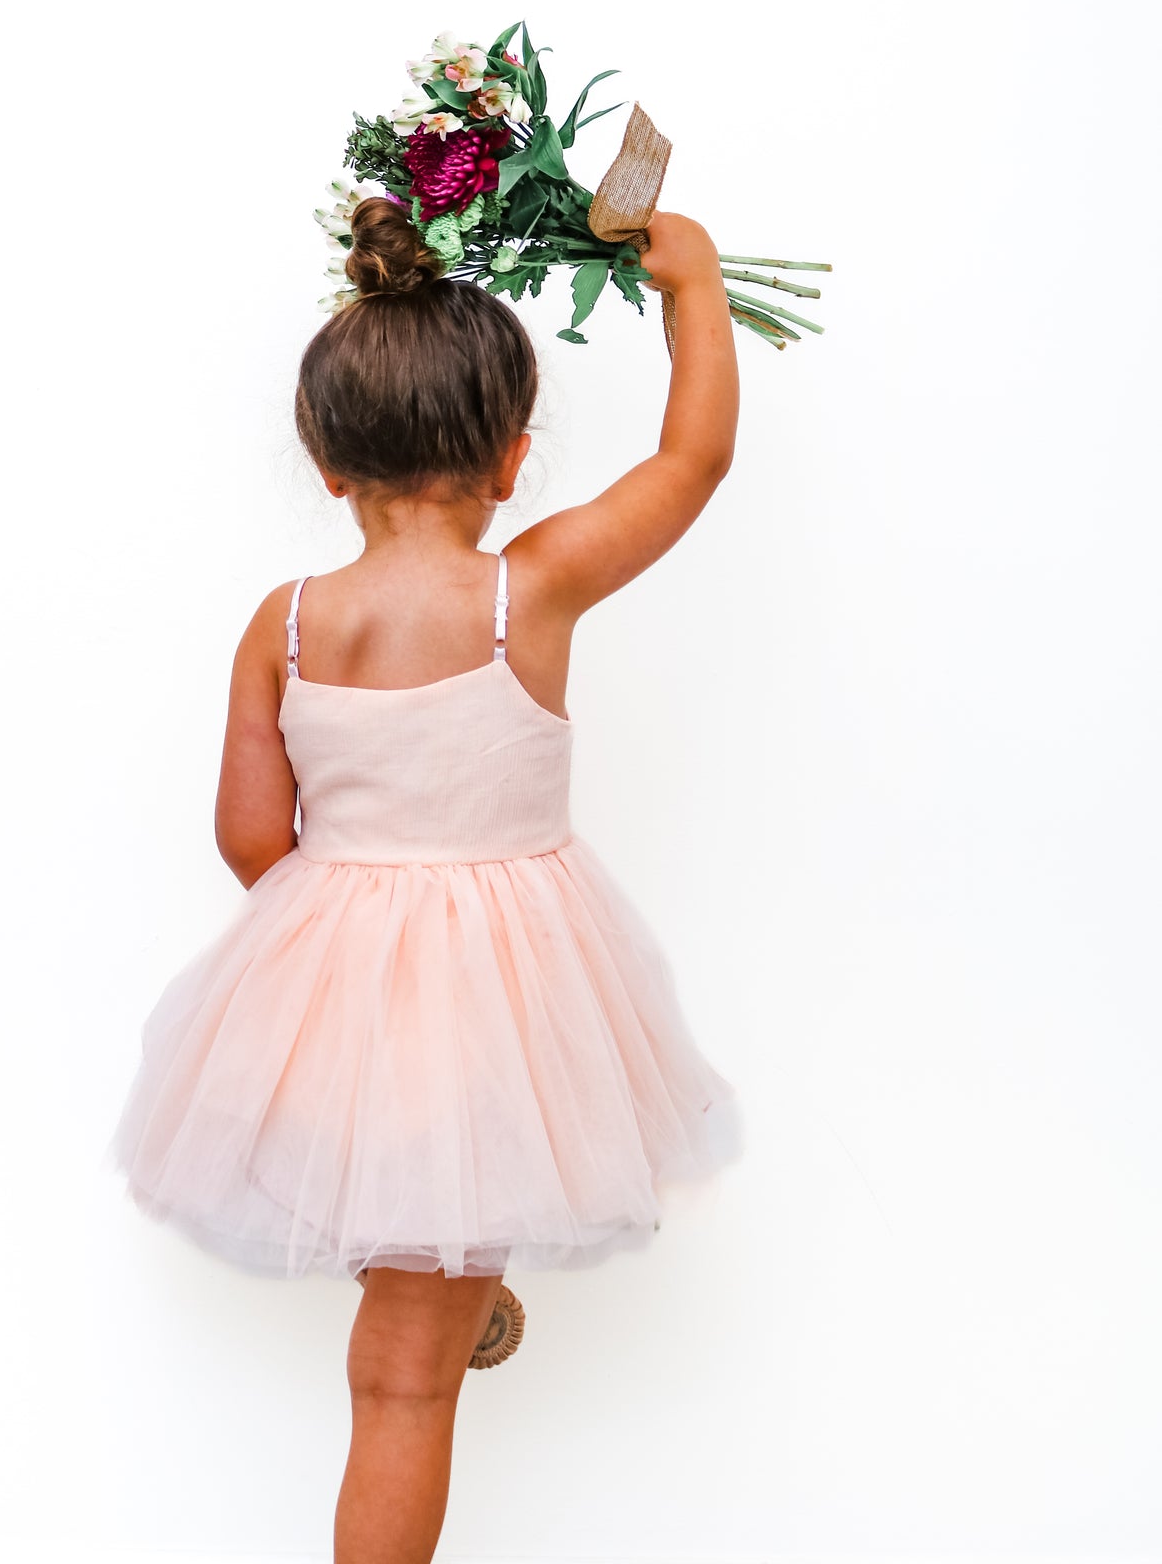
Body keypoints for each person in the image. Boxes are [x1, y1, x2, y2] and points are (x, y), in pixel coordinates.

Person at [109, 195, 745, 1564]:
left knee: (410, 1182)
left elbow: (244, 835)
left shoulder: (282, 625)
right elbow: (690, 462)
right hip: (517, 975)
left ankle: (455, 1273)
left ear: (324, 462)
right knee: (404, 1378)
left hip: (343, 951)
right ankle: (450, 1291)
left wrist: (341, 931)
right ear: (513, 459)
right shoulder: (535, 588)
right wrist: (690, 285)